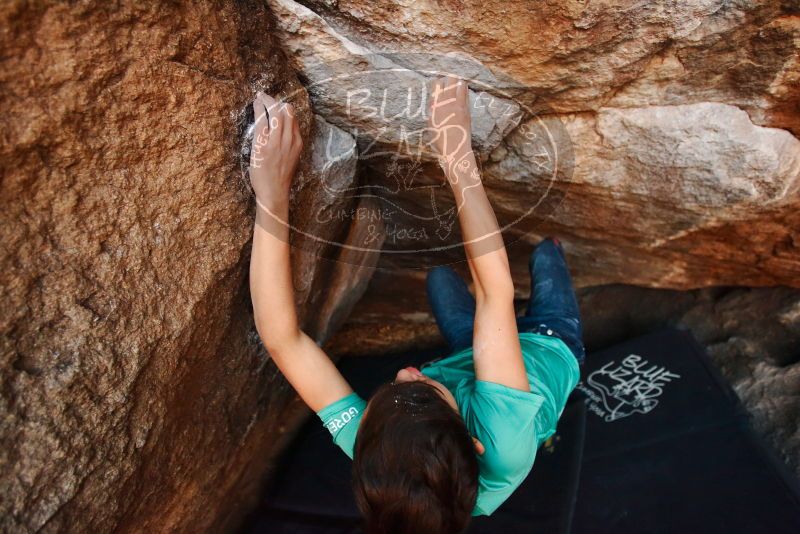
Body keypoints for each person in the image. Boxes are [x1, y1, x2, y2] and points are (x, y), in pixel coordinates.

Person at [248, 76, 585, 534]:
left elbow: (282, 339)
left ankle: (468, 354)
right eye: (421, 390)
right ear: (473, 440)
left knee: (442, 280)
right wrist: (455, 152)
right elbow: (494, 292)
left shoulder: (379, 447)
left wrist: (272, 196)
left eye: (392, 390)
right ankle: (553, 255)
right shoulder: (502, 441)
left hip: (472, 357)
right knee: (545, 256)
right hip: (550, 345)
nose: (408, 371)